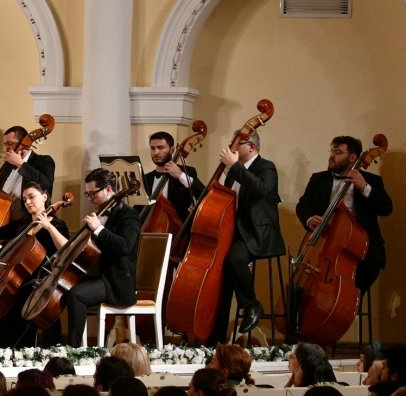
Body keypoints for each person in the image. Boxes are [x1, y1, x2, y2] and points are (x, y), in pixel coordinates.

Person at [211, 130, 285, 341]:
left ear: (251, 147)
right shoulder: (236, 171)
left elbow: (261, 189)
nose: (233, 147)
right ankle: (215, 338)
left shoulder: (266, 167)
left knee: (235, 259)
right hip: (234, 231)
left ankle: (252, 306)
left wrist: (234, 166)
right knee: (222, 279)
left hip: (256, 233)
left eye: (238, 143)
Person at [295, 136, 393, 292]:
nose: (332, 156)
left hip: (360, 244)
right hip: (325, 241)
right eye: (332, 151)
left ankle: (351, 303)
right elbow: (303, 205)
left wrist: (364, 187)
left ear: (352, 157)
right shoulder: (319, 179)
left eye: (338, 152)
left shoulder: (372, 180)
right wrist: (309, 219)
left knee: (368, 264)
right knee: (303, 283)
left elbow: (386, 208)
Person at [64, 168, 141, 347]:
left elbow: (125, 247)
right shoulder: (100, 214)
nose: (90, 199)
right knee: (67, 288)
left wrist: (99, 229)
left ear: (108, 189)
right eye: (87, 194)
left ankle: (73, 349)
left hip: (117, 282)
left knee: (77, 295)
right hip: (99, 276)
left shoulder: (129, 215)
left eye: (93, 194)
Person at [0, 181, 70, 347]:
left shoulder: (57, 224)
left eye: (32, 197)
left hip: (44, 277)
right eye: (25, 199)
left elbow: (67, 249)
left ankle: (20, 347)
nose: (27, 202)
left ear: (45, 197)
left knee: (21, 293)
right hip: (21, 277)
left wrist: (48, 227)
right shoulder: (22, 226)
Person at [0, 125, 56, 222]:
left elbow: (45, 184)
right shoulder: (8, 166)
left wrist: (20, 164)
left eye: (10, 143)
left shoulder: (43, 160)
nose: (6, 148)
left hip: (30, 221)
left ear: (23, 143)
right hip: (4, 220)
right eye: (5, 145)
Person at [143, 131, 205, 221]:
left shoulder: (187, 172)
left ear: (171, 150)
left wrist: (180, 175)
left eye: (160, 148)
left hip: (178, 231)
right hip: (148, 231)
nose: (156, 152)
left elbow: (203, 194)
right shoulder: (145, 178)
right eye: (153, 148)